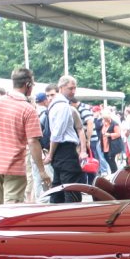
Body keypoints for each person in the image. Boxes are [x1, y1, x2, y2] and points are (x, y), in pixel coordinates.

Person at [0, 67, 51, 205]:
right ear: (28, 85)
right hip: (13, 165)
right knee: (11, 210)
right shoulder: (28, 109)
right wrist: (42, 171)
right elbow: (33, 142)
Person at [44, 75, 87, 203]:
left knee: (58, 187)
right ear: (61, 88)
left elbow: (79, 128)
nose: (73, 91)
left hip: (61, 151)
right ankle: (72, 218)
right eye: (70, 88)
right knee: (70, 189)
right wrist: (50, 154)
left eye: (74, 88)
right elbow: (57, 134)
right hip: (65, 151)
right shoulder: (62, 106)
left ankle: (56, 216)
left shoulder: (58, 105)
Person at [99, 107, 125, 173]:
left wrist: (110, 135)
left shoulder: (115, 124)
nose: (104, 120)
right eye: (104, 118)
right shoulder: (103, 124)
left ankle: (115, 173)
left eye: (105, 118)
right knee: (107, 158)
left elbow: (118, 134)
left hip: (112, 145)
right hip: (105, 145)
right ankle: (113, 173)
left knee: (111, 160)